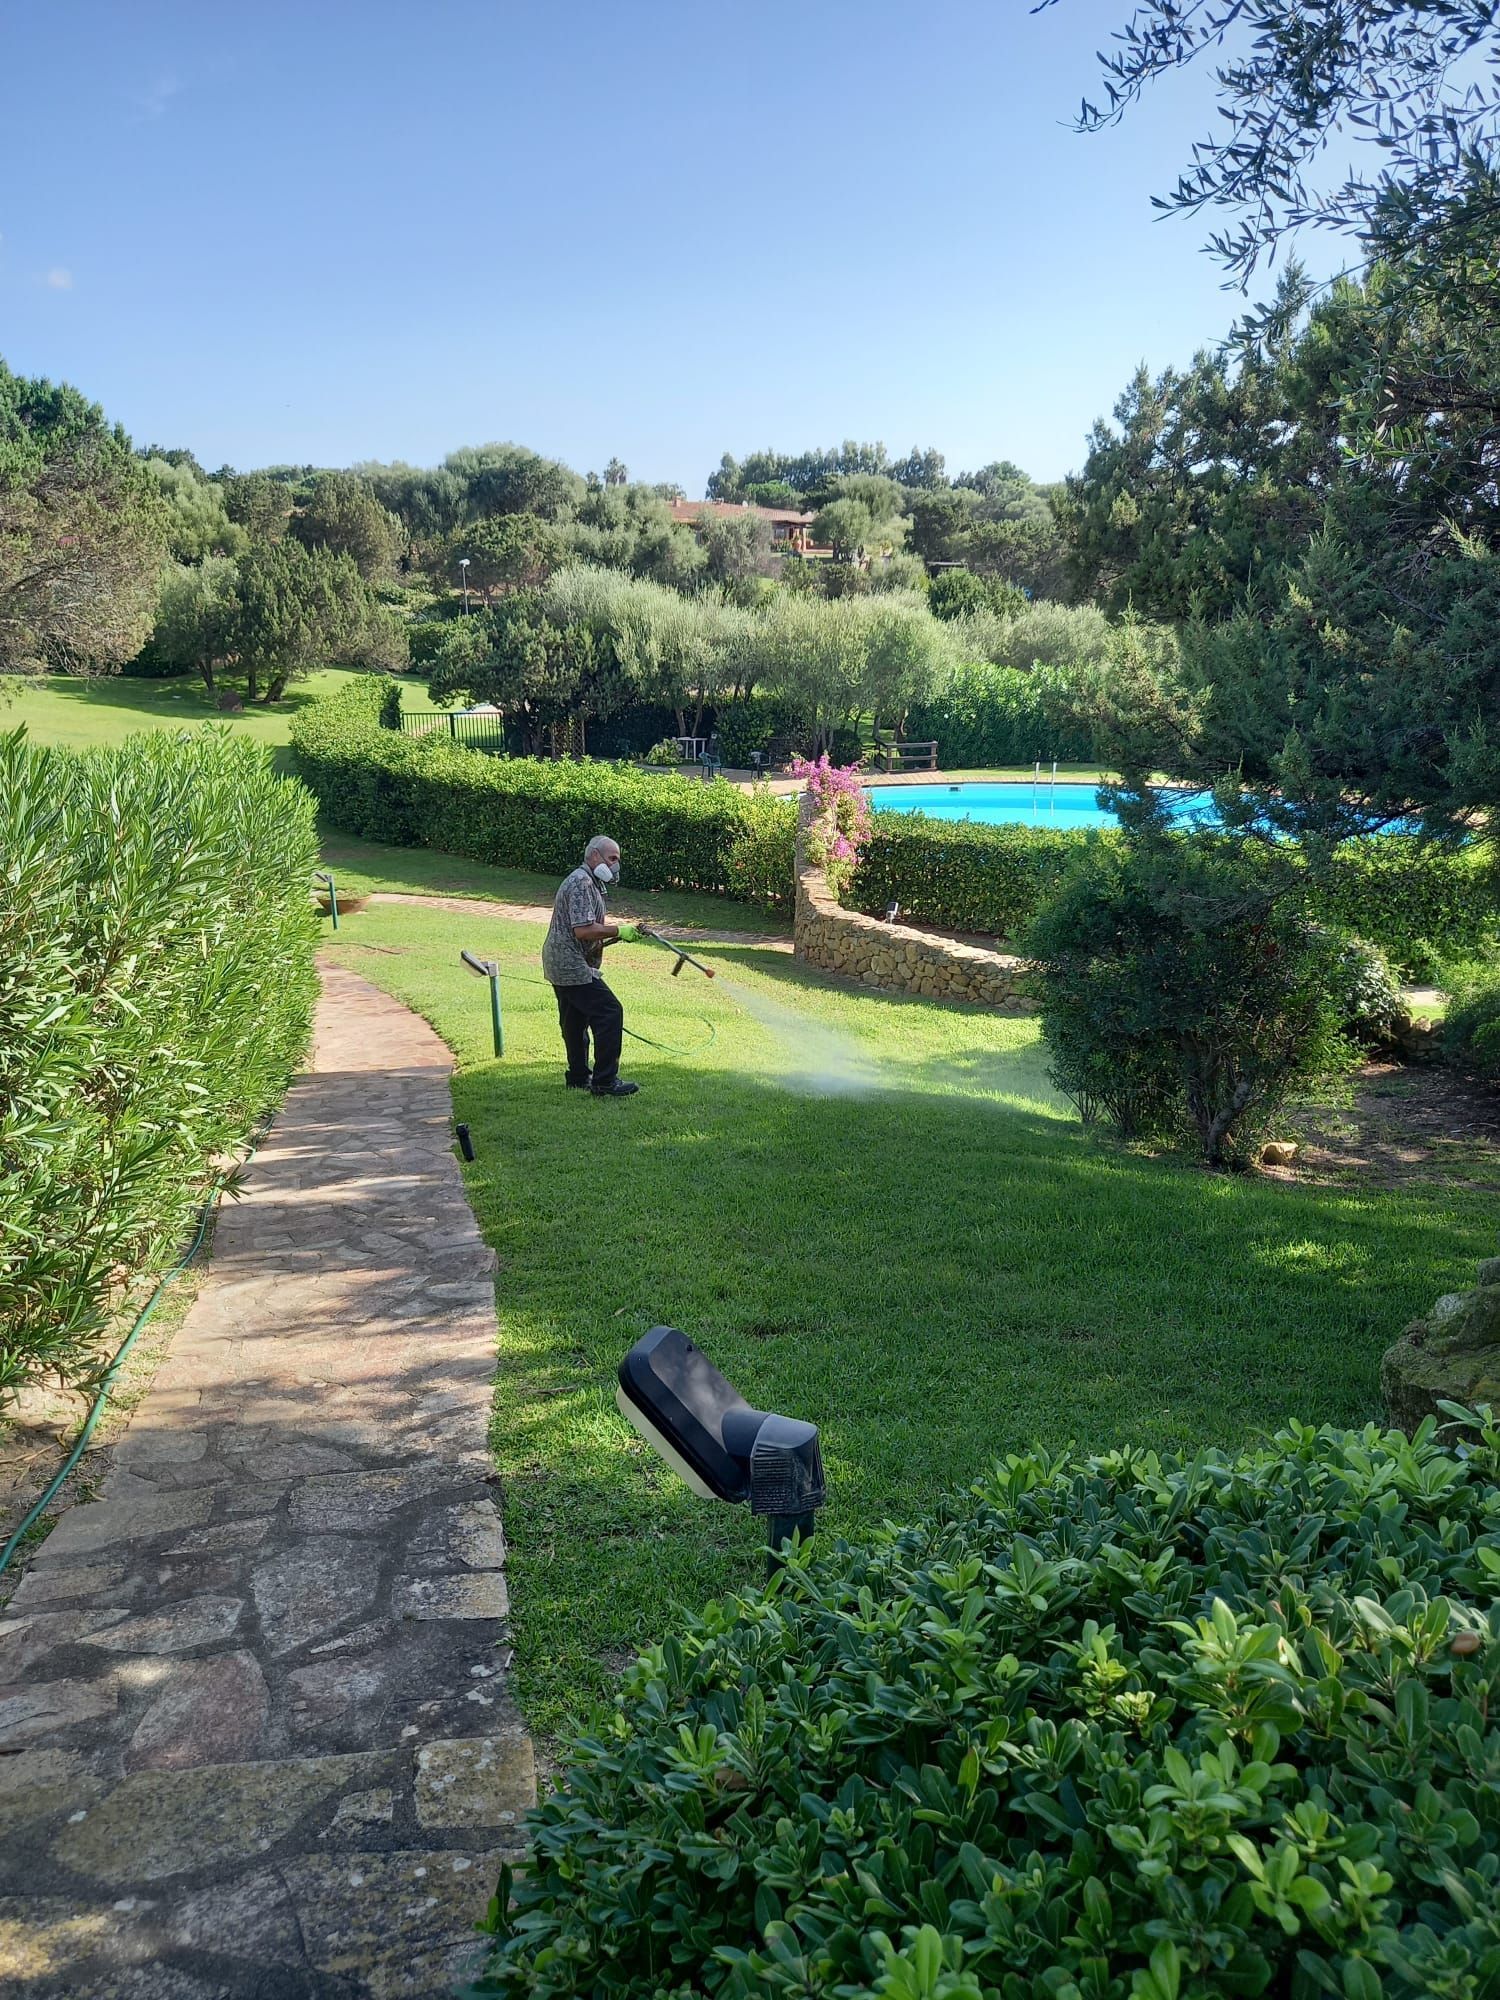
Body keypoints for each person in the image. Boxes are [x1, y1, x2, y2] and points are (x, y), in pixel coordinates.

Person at [542, 834, 641, 1097]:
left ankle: (577, 1076)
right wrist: (619, 929)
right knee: (609, 1011)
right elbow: (583, 930)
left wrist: (620, 935)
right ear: (595, 856)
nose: (615, 866)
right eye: (612, 859)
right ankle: (605, 1081)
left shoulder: (589, 882)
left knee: (574, 1020)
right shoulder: (581, 882)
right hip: (570, 964)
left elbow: (587, 932)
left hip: (560, 961)